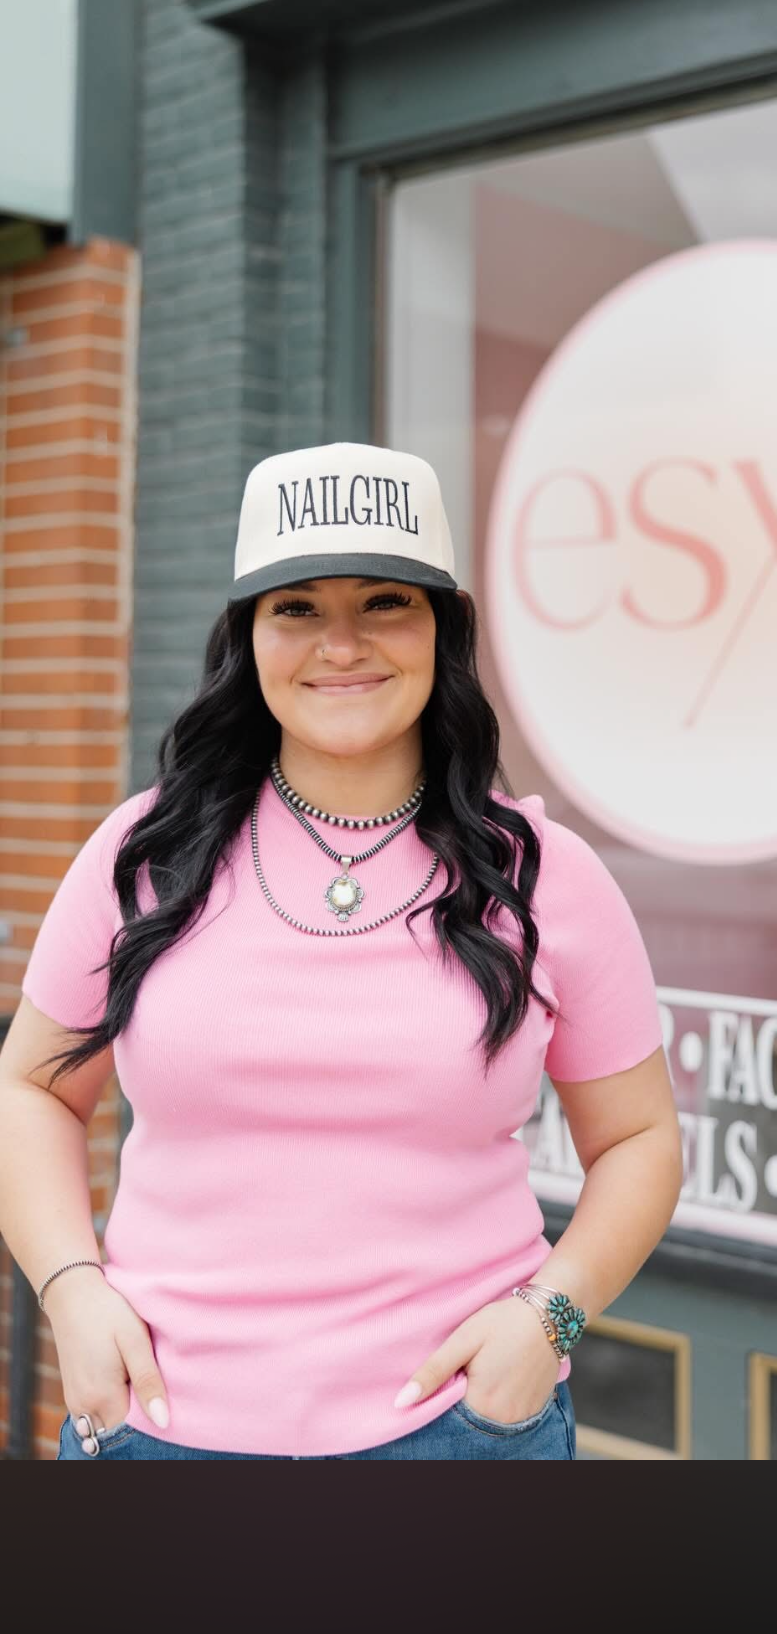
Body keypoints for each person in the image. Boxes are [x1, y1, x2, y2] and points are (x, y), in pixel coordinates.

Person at [0, 442, 683, 1461]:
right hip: (163, 1430)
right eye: (299, 608)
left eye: (385, 603)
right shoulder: (146, 853)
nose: (343, 644)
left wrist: (554, 1322)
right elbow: (33, 1089)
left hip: (459, 1434)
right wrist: (69, 1290)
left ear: (444, 625)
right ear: (248, 634)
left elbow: (641, 1144)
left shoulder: (543, 875)